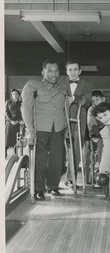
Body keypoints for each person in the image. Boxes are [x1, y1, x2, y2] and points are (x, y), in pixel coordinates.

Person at [21, 59, 68, 201]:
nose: (53, 74)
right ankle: (38, 189)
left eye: (56, 71)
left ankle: (53, 186)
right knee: (40, 160)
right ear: (43, 72)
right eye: (49, 71)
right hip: (40, 128)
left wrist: (66, 127)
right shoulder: (33, 85)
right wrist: (30, 130)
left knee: (57, 160)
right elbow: (26, 108)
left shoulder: (63, 87)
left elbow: (66, 108)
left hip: (58, 128)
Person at [63, 60, 92, 188]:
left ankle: (71, 179)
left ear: (80, 71)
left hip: (78, 120)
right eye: (70, 69)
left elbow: (88, 101)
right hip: (61, 120)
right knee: (59, 150)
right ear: (66, 71)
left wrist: (75, 98)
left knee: (75, 151)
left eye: (75, 69)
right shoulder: (60, 83)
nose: (73, 72)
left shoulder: (87, 83)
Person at [5, 89, 24, 158]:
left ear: (18, 95)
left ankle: (15, 154)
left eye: (16, 94)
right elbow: (6, 113)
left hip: (17, 123)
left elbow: (22, 113)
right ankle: (4, 153)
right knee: (7, 139)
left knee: (16, 139)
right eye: (13, 94)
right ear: (12, 95)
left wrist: (19, 120)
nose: (15, 95)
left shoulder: (21, 103)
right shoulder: (8, 102)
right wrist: (11, 121)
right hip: (10, 123)